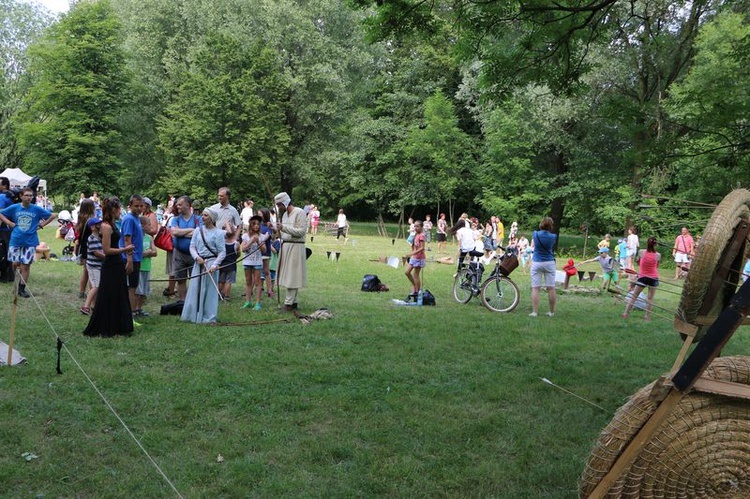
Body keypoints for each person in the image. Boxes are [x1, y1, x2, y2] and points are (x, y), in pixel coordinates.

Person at [83, 197, 135, 337]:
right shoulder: (106, 227)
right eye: (119, 208)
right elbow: (106, 250)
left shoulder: (114, 224)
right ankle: (108, 325)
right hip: (111, 265)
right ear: (113, 210)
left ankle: (119, 325)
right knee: (110, 295)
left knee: (119, 294)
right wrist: (126, 249)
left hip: (117, 264)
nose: (121, 211)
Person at [0, 187, 56, 297]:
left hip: (30, 241)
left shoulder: (36, 209)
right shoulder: (15, 208)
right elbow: (1, 213)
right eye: (27, 195)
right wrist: (9, 223)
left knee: (26, 266)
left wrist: (41, 225)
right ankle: (16, 281)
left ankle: (22, 289)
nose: (29, 197)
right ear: (21, 196)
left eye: (31, 195)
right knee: (15, 264)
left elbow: (52, 216)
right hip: (15, 240)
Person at [180, 208, 226, 324]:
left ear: (212, 218)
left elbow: (222, 252)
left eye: (205, 215)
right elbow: (192, 246)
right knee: (195, 288)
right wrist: (196, 257)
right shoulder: (197, 231)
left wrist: (215, 264)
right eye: (202, 215)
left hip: (211, 264)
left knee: (210, 290)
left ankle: (209, 317)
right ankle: (192, 315)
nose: (202, 217)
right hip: (199, 263)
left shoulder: (219, 233)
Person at [275, 192, 308, 312]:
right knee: (289, 276)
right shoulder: (284, 216)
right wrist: (276, 230)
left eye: (279, 205)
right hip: (286, 247)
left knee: (292, 276)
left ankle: (288, 304)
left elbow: (301, 232)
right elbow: (283, 234)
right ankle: (293, 303)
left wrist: (283, 228)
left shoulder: (300, 212)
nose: (279, 208)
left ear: (285, 202)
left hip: (296, 247)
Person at [623, 236, 661, 321]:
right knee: (650, 298)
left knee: (634, 296)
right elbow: (656, 266)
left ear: (647, 243)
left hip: (643, 277)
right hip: (654, 278)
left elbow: (639, 262)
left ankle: (626, 313)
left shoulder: (641, 252)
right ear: (656, 244)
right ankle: (647, 317)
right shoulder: (658, 255)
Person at [170, 196, 201, 301]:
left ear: (187, 205)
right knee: (181, 279)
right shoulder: (175, 219)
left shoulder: (198, 219)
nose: (177, 206)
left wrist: (181, 232)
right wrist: (192, 230)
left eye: (179, 204)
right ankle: (182, 301)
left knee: (195, 279)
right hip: (179, 254)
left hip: (195, 255)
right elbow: (174, 232)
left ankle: (193, 301)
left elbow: (199, 234)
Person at [120, 195, 145, 316]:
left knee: (134, 285)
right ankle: (130, 312)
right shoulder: (129, 219)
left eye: (141, 206)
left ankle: (132, 310)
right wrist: (129, 260)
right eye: (136, 206)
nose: (139, 208)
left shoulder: (137, 218)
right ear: (129, 206)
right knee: (131, 286)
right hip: (130, 258)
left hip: (137, 257)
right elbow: (127, 240)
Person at [529, 216, 557, 317]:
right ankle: (551, 312)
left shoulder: (535, 234)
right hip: (549, 262)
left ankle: (535, 312)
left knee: (535, 288)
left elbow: (534, 245)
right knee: (551, 288)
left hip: (537, 262)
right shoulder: (553, 237)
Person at [241, 215, 268, 310]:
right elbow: (243, 249)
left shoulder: (262, 236)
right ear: (250, 225)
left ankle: (258, 303)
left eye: (258, 224)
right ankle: (247, 302)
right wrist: (251, 241)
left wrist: (258, 242)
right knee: (248, 282)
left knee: (258, 282)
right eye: (254, 224)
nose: (256, 226)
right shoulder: (245, 236)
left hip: (257, 262)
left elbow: (264, 250)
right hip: (247, 262)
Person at [80, 217, 105, 315]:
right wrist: (108, 257)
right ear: (93, 227)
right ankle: (86, 306)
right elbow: (97, 253)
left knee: (98, 286)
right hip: (94, 266)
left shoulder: (99, 237)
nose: (101, 225)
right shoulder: (92, 238)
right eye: (99, 224)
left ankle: (95, 305)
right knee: (95, 286)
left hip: (98, 266)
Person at [135, 216, 157, 317]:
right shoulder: (136, 237)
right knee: (137, 290)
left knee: (144, 290)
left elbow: (155, 252)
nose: (150, 226)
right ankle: (134, 309)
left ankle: (139, 308)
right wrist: (147, 252)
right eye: (149, 225)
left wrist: (147, 252)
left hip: (146, 267)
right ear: (142, 226)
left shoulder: (149, 238)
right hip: (139, 267)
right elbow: (136, 254)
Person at [74, 198, 95, 299]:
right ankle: (92, 293)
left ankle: (82, 291)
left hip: (83, 247)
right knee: (90, 272)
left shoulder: (81, 218)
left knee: (86, 271)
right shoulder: (91, 221)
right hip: (90, 247)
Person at [404, 220, 426, 302]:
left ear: (421, 227)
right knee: (407, 272)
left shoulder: (422, 236)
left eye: (417, 226)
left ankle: (417, 292)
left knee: (416, 274)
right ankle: (415, 286)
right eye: (415, 226)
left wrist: (411, 253)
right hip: (414, 257)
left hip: (419, 258)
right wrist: (411, 252)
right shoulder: (416, 234)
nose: (415, 228)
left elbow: (422, 248)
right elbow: (414, 246)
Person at [0, 177, 16, 282]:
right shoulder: (11, 196)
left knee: (2, 253)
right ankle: (11, 275)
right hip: (11, 229)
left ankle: (4, 276)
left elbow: (0, 213)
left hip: (3, 229)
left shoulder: (1, 196)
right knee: (9, 252)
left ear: (4, 185)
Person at [219, 228, 239, 301]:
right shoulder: (236, 244)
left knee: (221, 281)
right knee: (229, 281)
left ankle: (218, 294)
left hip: (222, 265)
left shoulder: (222, 243)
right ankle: (226, 296)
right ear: (234, 234)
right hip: (231, 265)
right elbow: (238, 254)